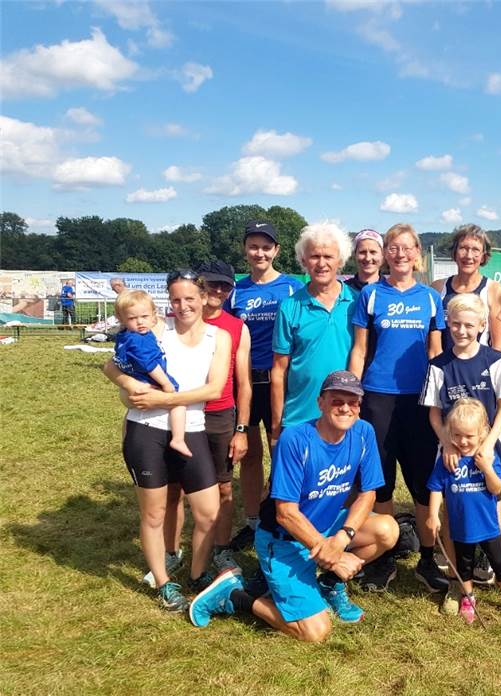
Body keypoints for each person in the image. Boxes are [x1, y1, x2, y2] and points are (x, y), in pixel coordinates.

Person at [187, 371, 400, 641]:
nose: (346, 408)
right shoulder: (296, 439)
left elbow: (368, 493)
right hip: (284, 539)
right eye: (337, 401)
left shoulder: (363, 432)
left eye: (353, 402)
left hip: (326, 527)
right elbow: (285, 513)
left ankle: (329, 585)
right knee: (315, 633)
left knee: (387, 529)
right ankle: (236, 595)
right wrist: (330, 554)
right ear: (320, 402)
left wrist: (341, 538)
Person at [103, 270, 231, 612]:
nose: (183, 305)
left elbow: (214, 389)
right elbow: (110, 366)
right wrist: (129, 387)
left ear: (203, 298)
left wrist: (162, 399)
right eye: (176, 299)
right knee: (154, 513)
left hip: (192, 428)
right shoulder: (155, 328)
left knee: (208, 512)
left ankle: (198, 571)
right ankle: (163, 582)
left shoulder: (218, 337)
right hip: (145, 430)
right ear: (167, 302)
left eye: (190, 298)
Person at [348, 222, 446, 593]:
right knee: (382, 482)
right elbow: (360, 350)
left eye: (407, 247)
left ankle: (425, 557)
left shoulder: (430, 298)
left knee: (422, 484)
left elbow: (435, 353)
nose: (400, 253)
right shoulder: (371, 295)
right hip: (378, 398)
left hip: (420, 401)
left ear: (418, 254)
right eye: (393, 247)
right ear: (385, 253)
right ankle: (384, 558)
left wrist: (442, 396)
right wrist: (355, 395)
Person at [419, 293, 501, 610]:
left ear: (481, 325)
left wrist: (488, 443)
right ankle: (456, 585)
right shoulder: (438, 365)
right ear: (447, 324)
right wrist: (447, 442)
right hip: (452, 448)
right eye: (456, 324)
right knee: (452, 514)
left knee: (495, 512)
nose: (462, 331)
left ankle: (500, 575)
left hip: (486, 449)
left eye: (469, 325)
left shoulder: (496, 360)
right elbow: (434, 413)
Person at [224, 220, 303, 551]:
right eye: (253, 246)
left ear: (277, 251)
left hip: (278, 380)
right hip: (244, 381)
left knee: (281, 449)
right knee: (251, 455)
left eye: (266, 247)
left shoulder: (291, 288)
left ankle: (281, 515)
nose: (259, 252)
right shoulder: (236, 290)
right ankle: (254, 520)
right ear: (245, 250)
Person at [426, 399, 501, 625]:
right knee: (464, 567)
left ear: (482, 433)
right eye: (456, 435)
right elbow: (436, 489)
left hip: (488, 527)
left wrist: (485, 469)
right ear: (449, 433)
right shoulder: (448, 461)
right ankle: (468, 597)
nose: (462, 441)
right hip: (461, 529)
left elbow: (496, 488)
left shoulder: (487, 458)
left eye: (469, 436)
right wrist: (433, 515)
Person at [271, 222, 356, 438]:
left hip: (345, 416)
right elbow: (279, 371)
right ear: (303, 261)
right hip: (300, 418)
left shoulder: (358, 302)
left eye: (328, 256)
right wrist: (276, 424)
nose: (321, 263)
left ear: (340, 261)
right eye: (314, 256)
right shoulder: (290, 307)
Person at [197, 260, 252, 571]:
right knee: (177, 488)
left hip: (220, 416)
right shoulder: (176, 320)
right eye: (211, 283)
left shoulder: (236, 327)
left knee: (224, 487)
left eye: (225, 285)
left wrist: (241, 428)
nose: (217, 290)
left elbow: (244, 384)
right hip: (183, 414)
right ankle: (172, 551)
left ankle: (221, 548)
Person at [113, 289, 191, 458]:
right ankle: (178, 438)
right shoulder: (138, 339)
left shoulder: (125, 336)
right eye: (133, 319)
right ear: (122, 319)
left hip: (139, 379)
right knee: (179, 403)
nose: (140, 322)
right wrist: (166, 384)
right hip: (149, 379)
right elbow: (150, 364)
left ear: (153, 315)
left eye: (144, 317)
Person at [431, 223, 501, 352]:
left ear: (484, 256)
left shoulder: (493, 290)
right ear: (454, 252)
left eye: (475, 250)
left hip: (479, 369)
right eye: (463, 248)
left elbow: (499, 345)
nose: (469, 256)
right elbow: (433, 345)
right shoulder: (437, 288)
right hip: (445, 370)